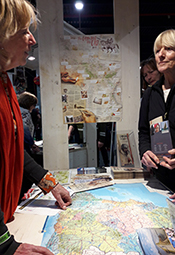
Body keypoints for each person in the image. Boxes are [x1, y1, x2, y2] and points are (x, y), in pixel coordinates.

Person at [0, 1, 72, 254]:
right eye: (24, 31)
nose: (32, 39)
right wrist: (4, 245)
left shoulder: (5, 84)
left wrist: (50, 183)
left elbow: (14, 150)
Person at [138, 29, 175, 198]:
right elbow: (144, 132)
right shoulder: (150, 93)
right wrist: (145, 152)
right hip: (159, 182)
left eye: (168, 49)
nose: (160, 55)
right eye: (157, 51)